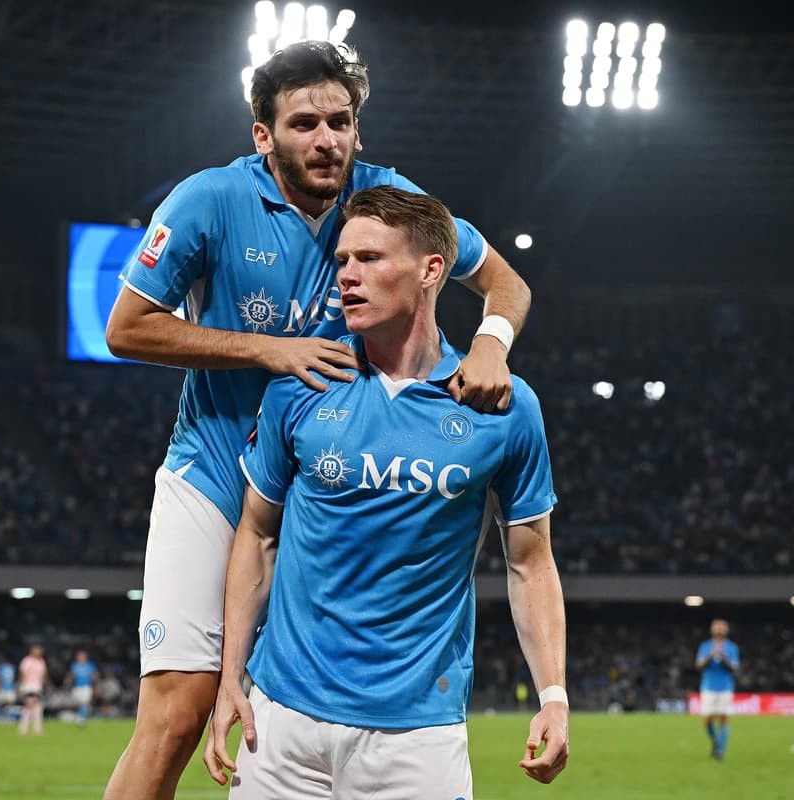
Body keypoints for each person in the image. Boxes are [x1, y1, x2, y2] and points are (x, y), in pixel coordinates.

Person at [101, 40, 532, 799]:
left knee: (320, 705)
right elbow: (127, 328)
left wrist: (492, 344)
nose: (326, 139)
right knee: (175, 717)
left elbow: (506, 284)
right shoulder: (209, 200)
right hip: (214, 477)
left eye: (340, 122)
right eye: (303, 124)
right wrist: (270, 350)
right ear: (263, 135)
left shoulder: (389, 201)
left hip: (322, 491)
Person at [204, 186, 567, 797]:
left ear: (431, 271)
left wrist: (553, 696)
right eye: (343, 260)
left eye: (370, 258)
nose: (347, 275)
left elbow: (531, 563)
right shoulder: (302, 383)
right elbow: (258, 534)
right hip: (280, 721)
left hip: (416, 736)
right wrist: (229, 679)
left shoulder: (503, 408)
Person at [695, 618, 740, 760]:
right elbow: (699, 666)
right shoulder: (705, 646)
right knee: (707, 720)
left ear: (726, 630)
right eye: (717, 627)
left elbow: (734, 668)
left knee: (723, 719)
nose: (719, 629)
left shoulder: (732, 647)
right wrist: (711, 655)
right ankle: (715, 741)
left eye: (722, 627)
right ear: (712, 629)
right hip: (708, 687)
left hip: (725, 687)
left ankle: (720, 751)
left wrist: (723, 657)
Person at [18, 645, 48, 736]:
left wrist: (45, 684)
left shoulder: (41, 662)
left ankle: (37, 728)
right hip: (29, 686)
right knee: (29, 706)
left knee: (38, 707)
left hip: (38, 686)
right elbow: (22, 673)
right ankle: (24, 728)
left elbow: (43, 674)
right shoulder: (27, 661)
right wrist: (23, 686)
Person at [63, 649, 98, 727]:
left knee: (85, 703)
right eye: (79, 656)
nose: (81, 658)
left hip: (86, 687)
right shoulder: (74, 665)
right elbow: (71, 675)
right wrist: (67, 682)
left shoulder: (90, 665)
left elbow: (94, 675)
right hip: (77, 687)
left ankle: (81, 720)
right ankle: (80, 716)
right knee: (79, 703)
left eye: (82, 656)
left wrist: (95, 684)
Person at [0, 655, 17, 721]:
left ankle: (0, 716)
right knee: (10, 703)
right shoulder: (12, 667)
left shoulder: (0, 667)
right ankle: (9, 716)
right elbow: (14, 678)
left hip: (2, 687)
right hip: (11, 687)